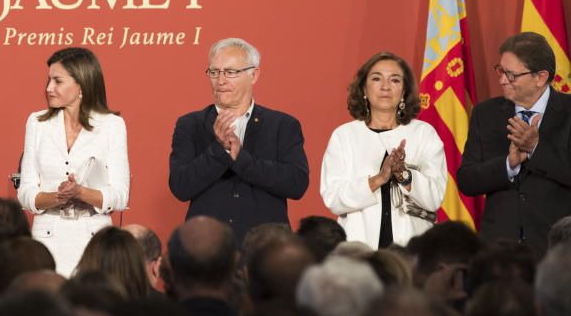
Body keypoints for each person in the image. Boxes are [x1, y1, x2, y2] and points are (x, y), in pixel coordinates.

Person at [168, 38, 309, 245]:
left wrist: (242, 159)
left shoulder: (282, 125)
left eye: (231, 72)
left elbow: (296, 184)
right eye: (214, 72)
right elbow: (181, 186)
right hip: (207, 249)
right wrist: (219, 150)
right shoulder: (190, 124)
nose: (221, 80)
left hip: (267, 250)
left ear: (254, 75)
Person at [17, 47, 130, 277]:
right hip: (46, 240)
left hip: (94, 242)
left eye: (58, 81)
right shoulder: (36, 123)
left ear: (81, 84)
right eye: (49, 80)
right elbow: (26, 193)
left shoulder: (112, 126)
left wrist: (80, 193)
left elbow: (119, 195)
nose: (49, 88)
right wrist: (57, 197)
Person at [457, 32, 571, 259]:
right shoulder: (485, 113)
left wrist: (536, 148)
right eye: (500, 70)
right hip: (499, 252)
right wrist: (508, 164)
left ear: (540, 77)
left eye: (511, 75)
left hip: (557, 252)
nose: (502, 80)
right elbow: (467, 180)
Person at [320, 52, 447, 249]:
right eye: (376, 78)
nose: (385, 87)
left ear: (404, 90)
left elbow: (434, 198)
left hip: (413, 249)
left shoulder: (423, 133)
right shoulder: (344, 136)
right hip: (358, 249)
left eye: (394, 80)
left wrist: (404, 175)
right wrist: (379, 179)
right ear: (364, 88)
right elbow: (333, 198)